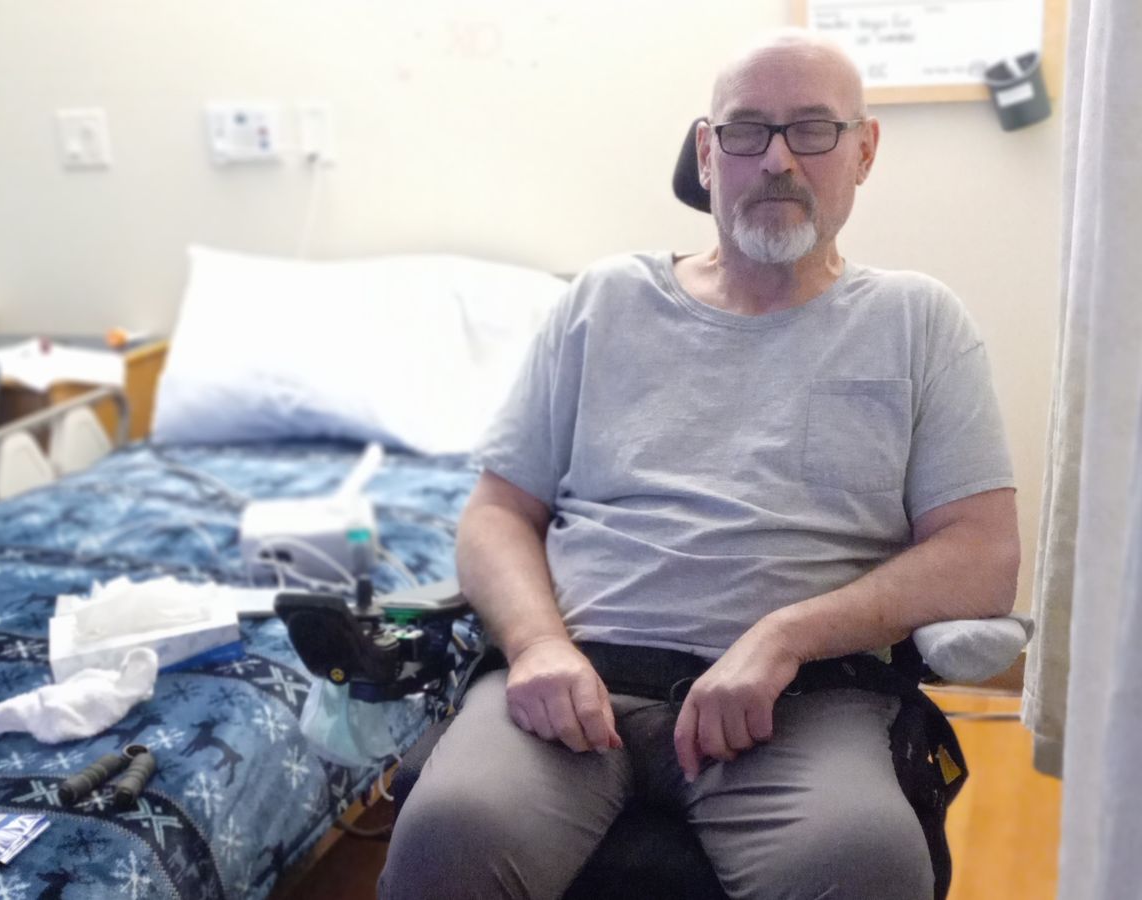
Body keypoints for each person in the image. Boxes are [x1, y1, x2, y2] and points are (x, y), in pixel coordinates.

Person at [380, 27, 1019, 900]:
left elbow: (982, 554)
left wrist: (784, 638)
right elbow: (497, 512)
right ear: (707, 154)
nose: (777, 159)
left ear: (865, 151)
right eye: (746, 130)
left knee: (863, 863)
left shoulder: (918, 323)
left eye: (813, 129)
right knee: (449, 835)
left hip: (806, 699)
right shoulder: (603, 302)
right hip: (580, 681)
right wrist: (536, 647)